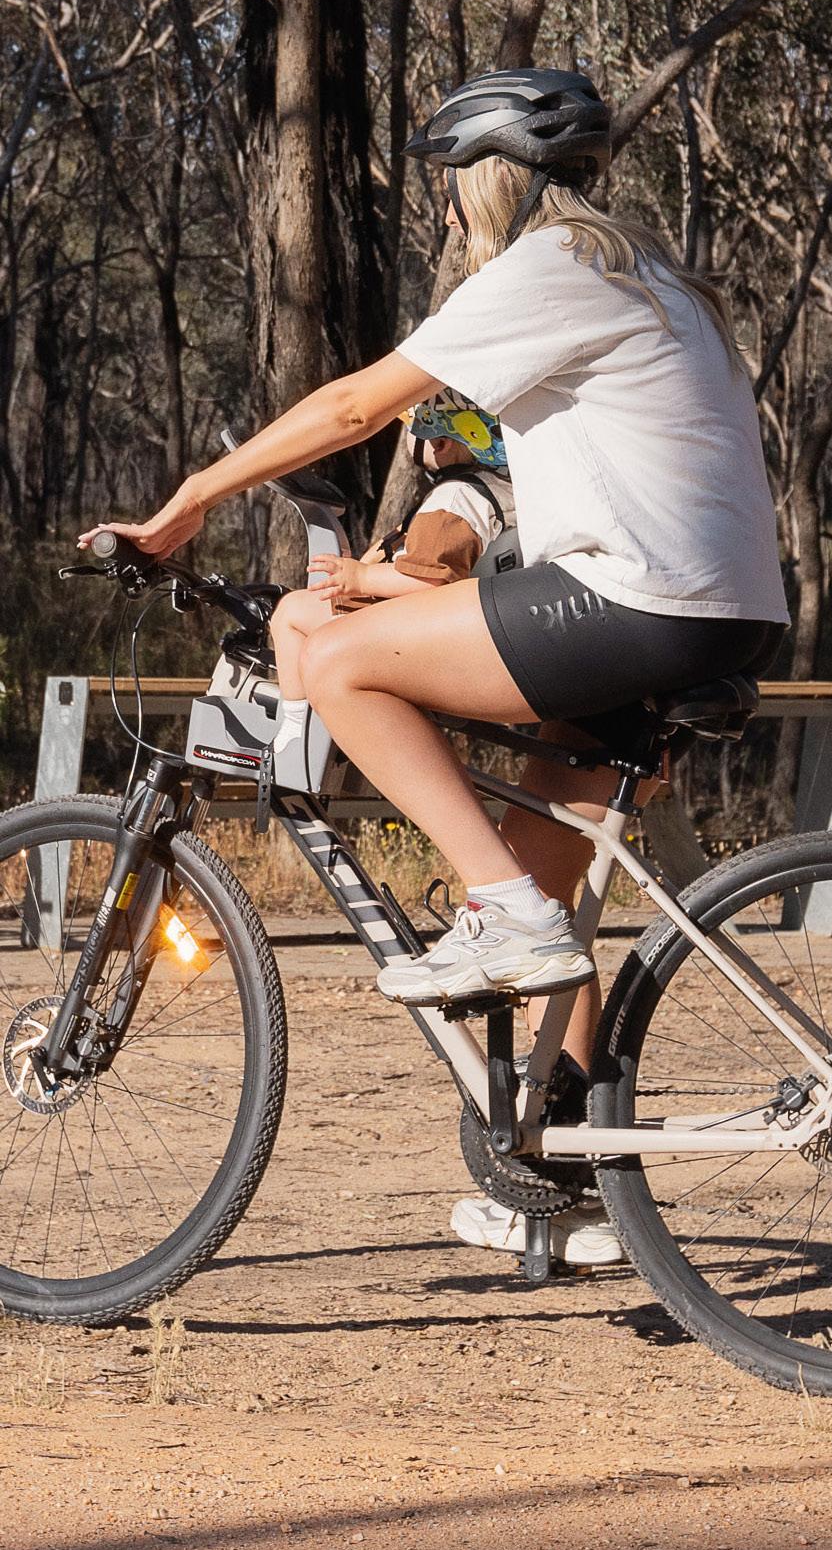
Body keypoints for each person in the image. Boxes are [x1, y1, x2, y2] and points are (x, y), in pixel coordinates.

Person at [88, 61, 787, 1056]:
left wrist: (190, 499)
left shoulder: (551, 267)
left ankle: (505, 914)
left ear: (493, 177)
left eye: (450, 188)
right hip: (723, 614)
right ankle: (561, 1144)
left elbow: (353, 408)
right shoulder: (647, 269)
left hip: (640, 603)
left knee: (338, 660)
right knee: (538, 883)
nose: (448, 215)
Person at [268, 393, 516, 765]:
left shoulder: (454, 500)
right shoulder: (497, 492)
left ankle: (295, 732)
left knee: (290, 613)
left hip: (413, 630)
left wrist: (363, 577)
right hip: (458, 633)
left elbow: (430, 582)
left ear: (440, 442)